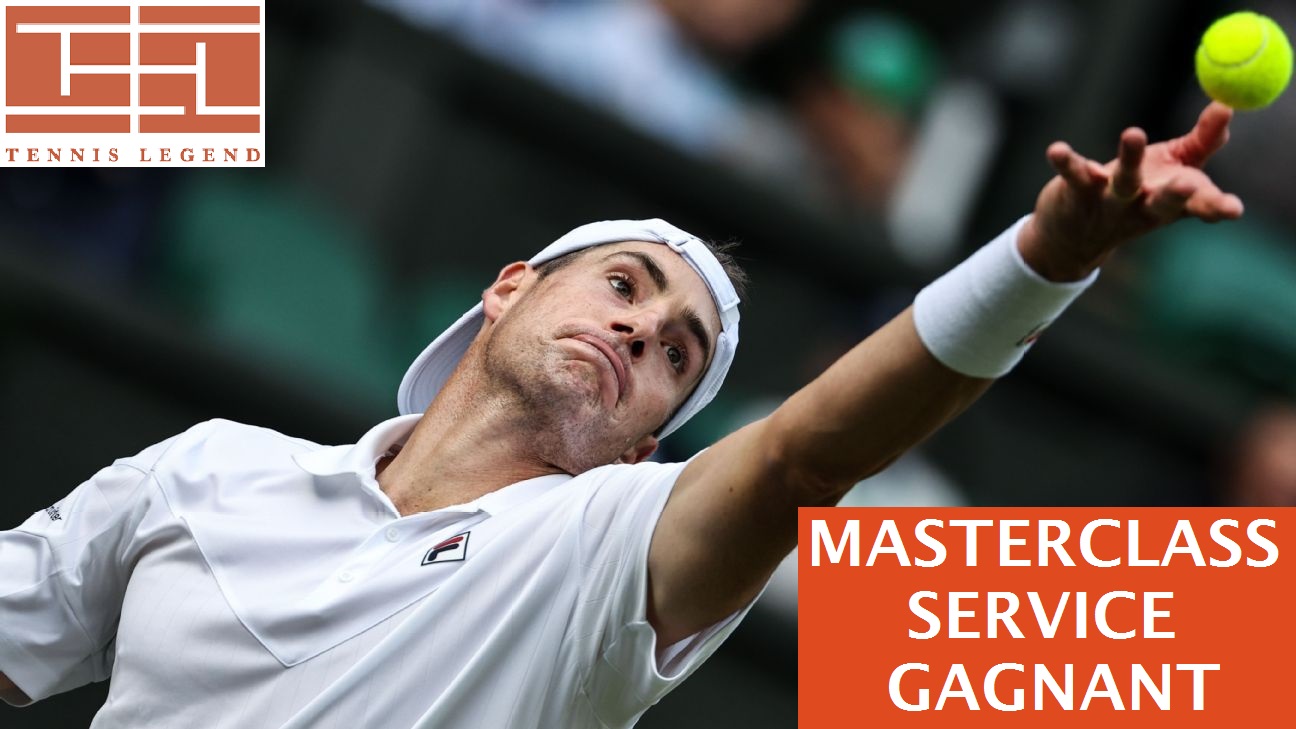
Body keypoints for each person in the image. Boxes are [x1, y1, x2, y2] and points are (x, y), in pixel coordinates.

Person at [0, 102, 1243, 727]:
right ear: (506, 291)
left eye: (679, 351)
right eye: (625, 285)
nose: (645, 327)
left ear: (647, 443)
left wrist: (1043, 261)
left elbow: (805, 457)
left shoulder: (599, 549)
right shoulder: (209, 469)